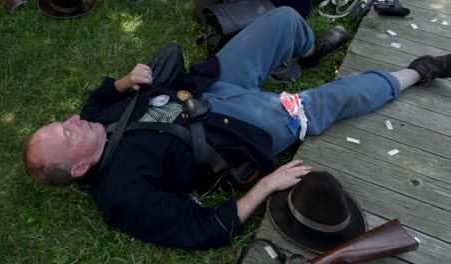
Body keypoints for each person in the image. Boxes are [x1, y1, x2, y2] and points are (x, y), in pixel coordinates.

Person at [24, 7, 451, 250]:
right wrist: (264, 188)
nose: (73, 120)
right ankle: (416, 73)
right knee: (329, 101)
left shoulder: (93, 118)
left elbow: (99, 96)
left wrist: (125, 82)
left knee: (283, 18)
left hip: (207, 85)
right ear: (79, 168)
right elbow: (202, 230)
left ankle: (306, 50)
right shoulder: (122, 196)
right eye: (66, 134)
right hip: (236, 130)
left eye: (61, 122)